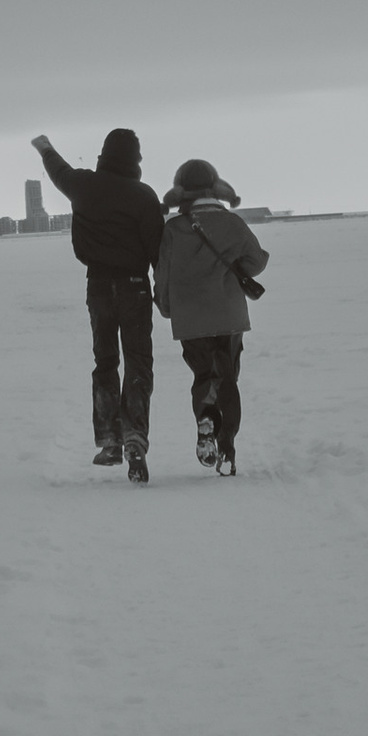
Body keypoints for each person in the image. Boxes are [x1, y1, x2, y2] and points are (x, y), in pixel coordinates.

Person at [31, 128, 165, 480]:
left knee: (105, 362)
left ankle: (109, 441)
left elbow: (59, 170)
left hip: (99, 287)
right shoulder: (143, 196)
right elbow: (157, 252)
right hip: (135, 288)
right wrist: (164, 291)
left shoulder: (84, 185)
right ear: (135, 159)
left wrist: (45, 147)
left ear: (104, 153)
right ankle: (135, 435)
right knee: (138, 363)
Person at [152, 160, 269, 473]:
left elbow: (162, 273)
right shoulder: (233, 223)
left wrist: (165, 306)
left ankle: (206, 418)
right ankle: (227, 442)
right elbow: (256, 262)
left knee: (204, 375)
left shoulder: (173, 229)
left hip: (190, 319)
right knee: (228, 376)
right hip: (229, 315)